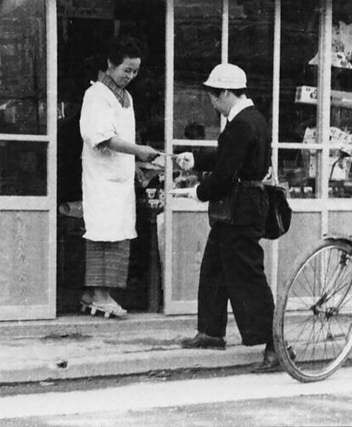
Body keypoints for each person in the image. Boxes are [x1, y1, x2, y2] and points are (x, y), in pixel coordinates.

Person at [176, 63, 290, 372]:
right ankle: (211, 331)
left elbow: (226, 172)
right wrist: (196, 159)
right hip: (243, 207)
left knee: (246, 274)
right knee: (214, 267)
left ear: (226, 93)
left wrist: (198, 192)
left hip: (240, 209)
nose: (212, 103)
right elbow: (231, 158)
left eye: (214, 96)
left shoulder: (240, 124)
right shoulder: (252, 119)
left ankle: (276, 345)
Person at [79, 35, 159, 318]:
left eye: (135, 71)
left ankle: (97, 294)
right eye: (127, 70)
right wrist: (139, 150)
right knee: (102, 234)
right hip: (102, 180)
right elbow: (101, 136)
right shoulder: (96, 95)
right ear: (111, 64)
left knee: (119, 235)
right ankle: (99, 294)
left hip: (120, 179)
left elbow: (122, 137)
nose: (131, 76)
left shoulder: (127, 97)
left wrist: (134, 163)